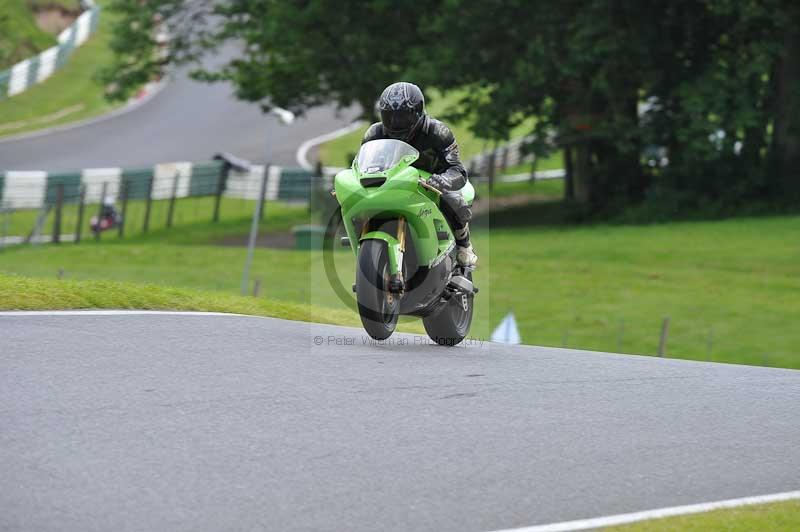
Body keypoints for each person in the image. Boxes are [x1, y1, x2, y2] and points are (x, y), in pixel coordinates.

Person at [362, 81, 478, 267]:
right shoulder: (374, 133)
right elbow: (364, 165)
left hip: (432, 182)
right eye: (389, 116)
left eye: (401, 117)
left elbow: (458, 170)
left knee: (455, 200)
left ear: (417, 112)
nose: (394, 123)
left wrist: (444, 180)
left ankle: (464, 245)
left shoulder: (438, 132)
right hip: (394, 182)